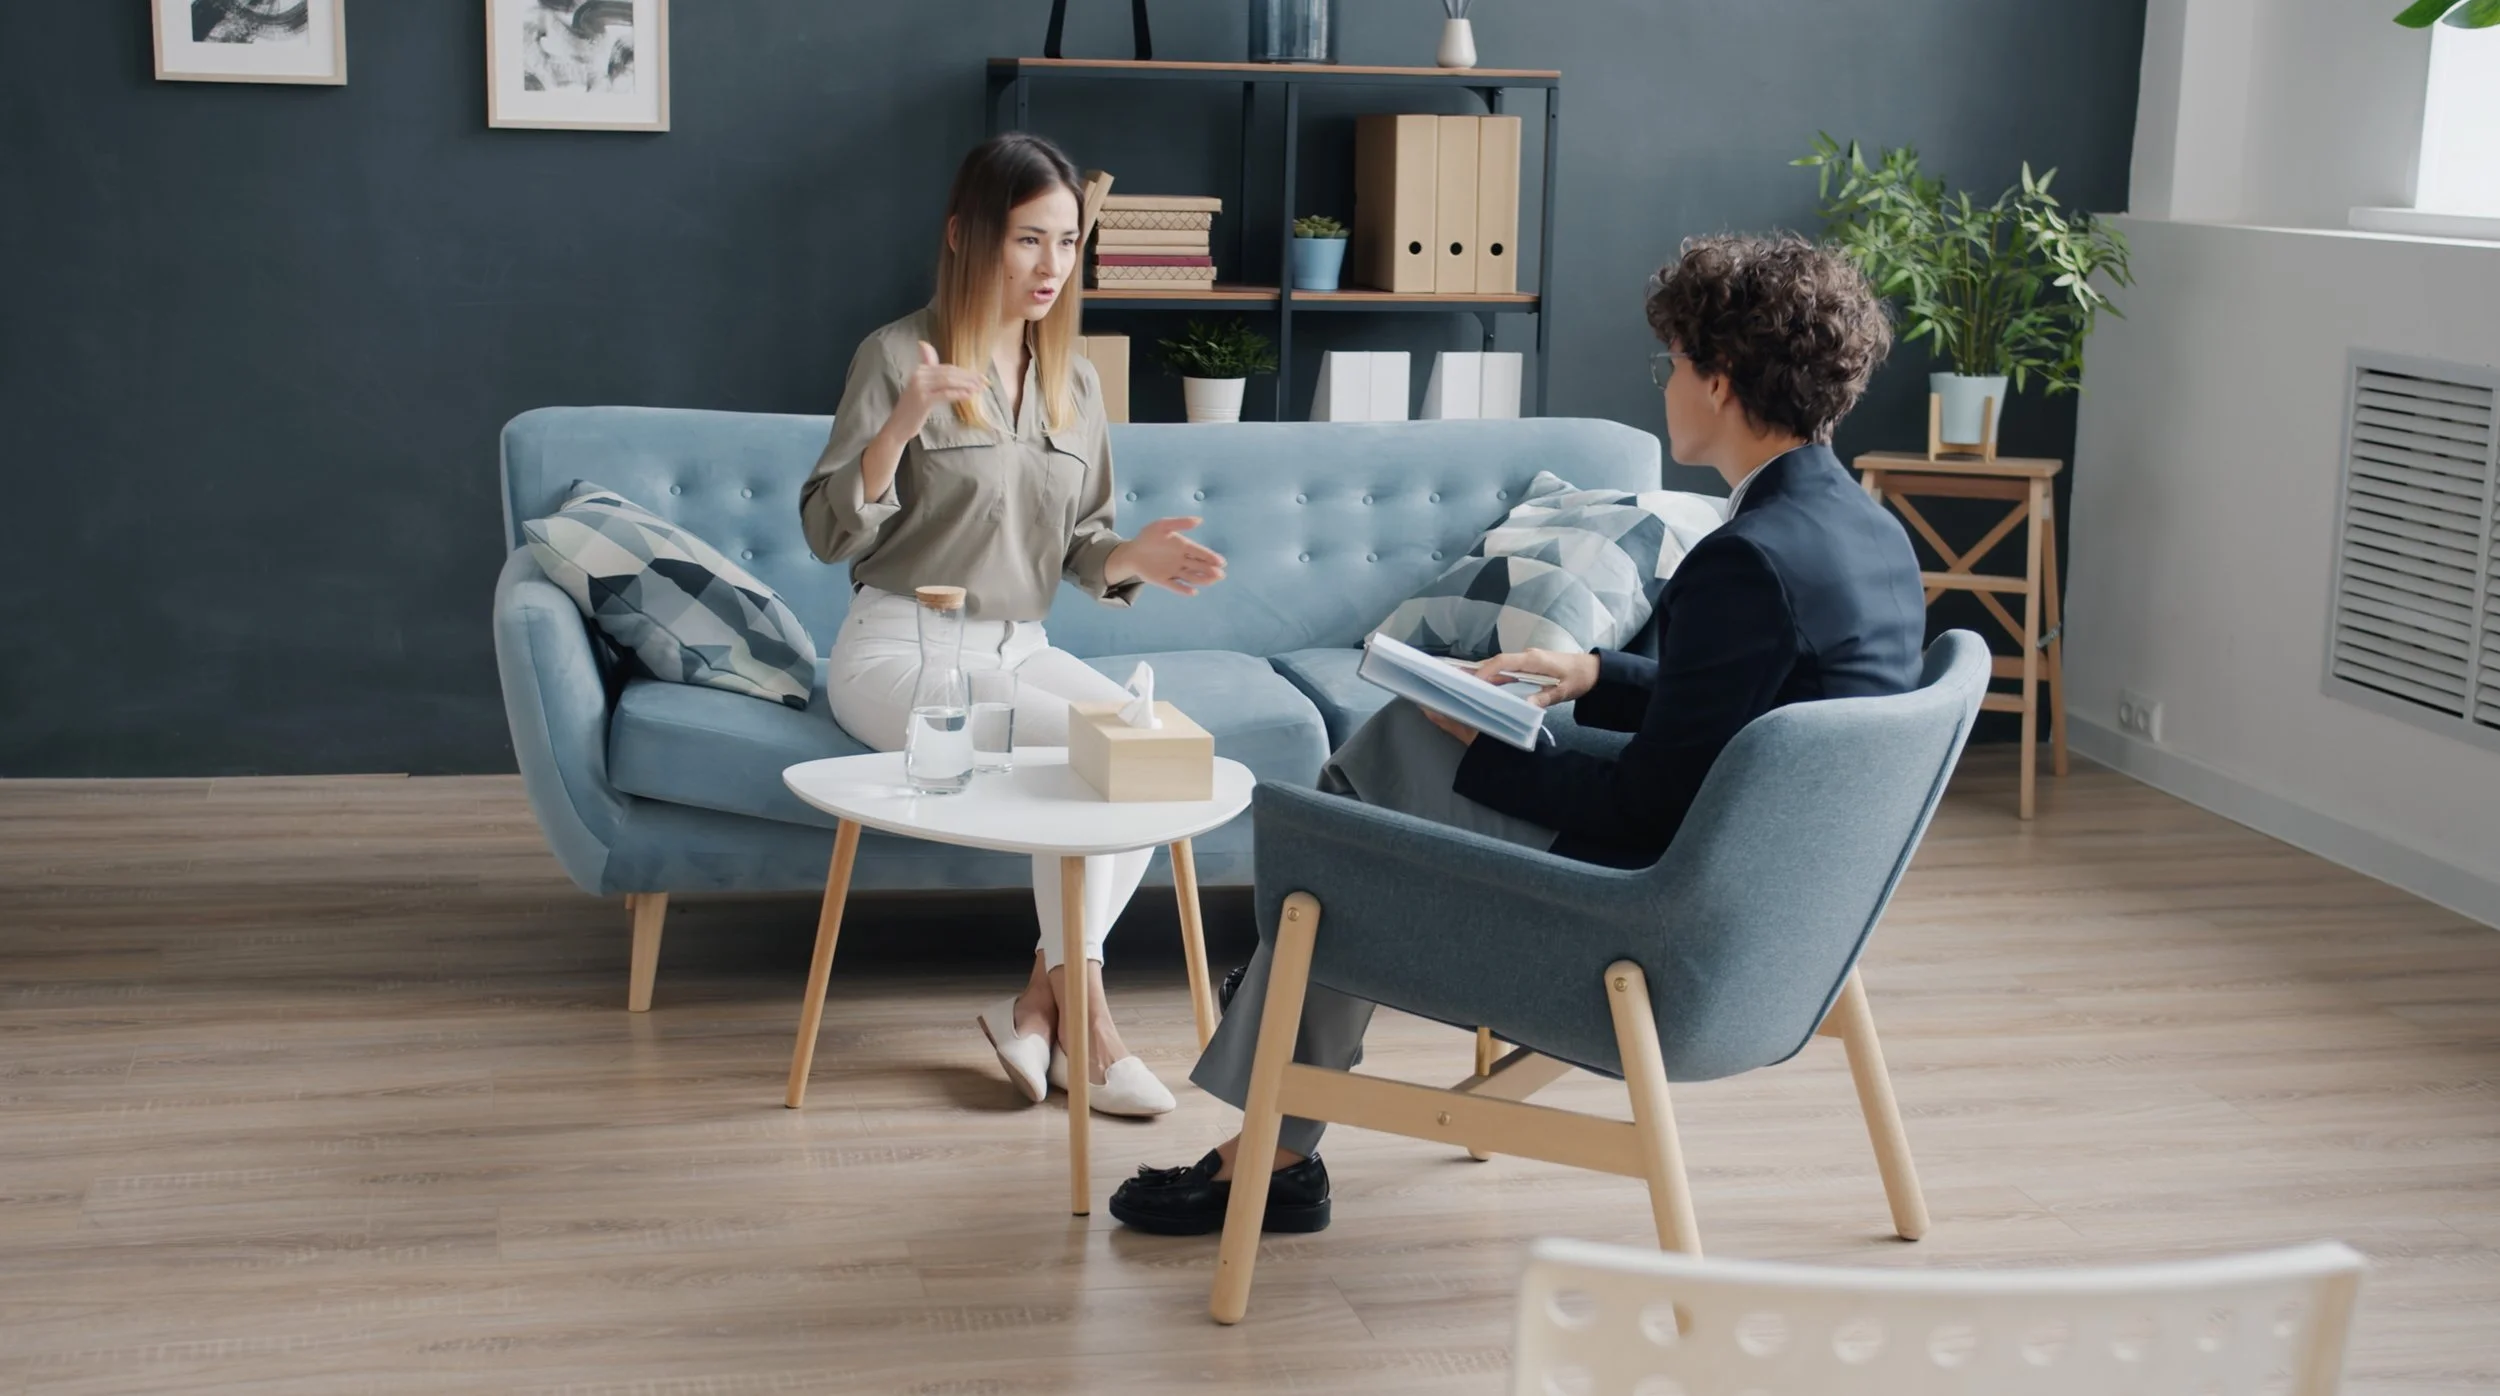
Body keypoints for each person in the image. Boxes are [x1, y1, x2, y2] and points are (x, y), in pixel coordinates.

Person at [1109, 231, 1925, 1234]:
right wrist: (1588, 671)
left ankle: (1273, 1102)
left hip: (1659, 929)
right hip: (1789, 934)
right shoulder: (1867, 532)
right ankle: (1277, 1067)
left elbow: (1641, 807)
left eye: (1671, 363)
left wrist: (1479, 743)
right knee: (1392, 768)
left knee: (1360, 808)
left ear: (1717, 385)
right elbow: (1749, 715)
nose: (1663, 383)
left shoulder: (1744, 559)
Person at [800, 133, 1227, 1119]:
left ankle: (1038, 1007)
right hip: (899, 651)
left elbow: (1080, 545)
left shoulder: (1074, 380)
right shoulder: (895, 355)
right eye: (1029, 239)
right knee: (1083, 756)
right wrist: (900, 425)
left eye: (1068, 243)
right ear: (965, 235)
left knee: (1146, 745)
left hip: (1019, 647)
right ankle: (1093, 1024)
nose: (1050, 267)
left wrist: (1133, 559)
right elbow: (827, 531)